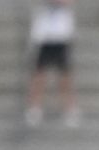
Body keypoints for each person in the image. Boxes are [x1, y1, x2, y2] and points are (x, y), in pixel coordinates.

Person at [25, 0, 80, 128]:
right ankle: (34, 107)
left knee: (65, 75)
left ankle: (69, 108)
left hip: (62, 35)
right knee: (39, 74)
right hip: (44, 35)